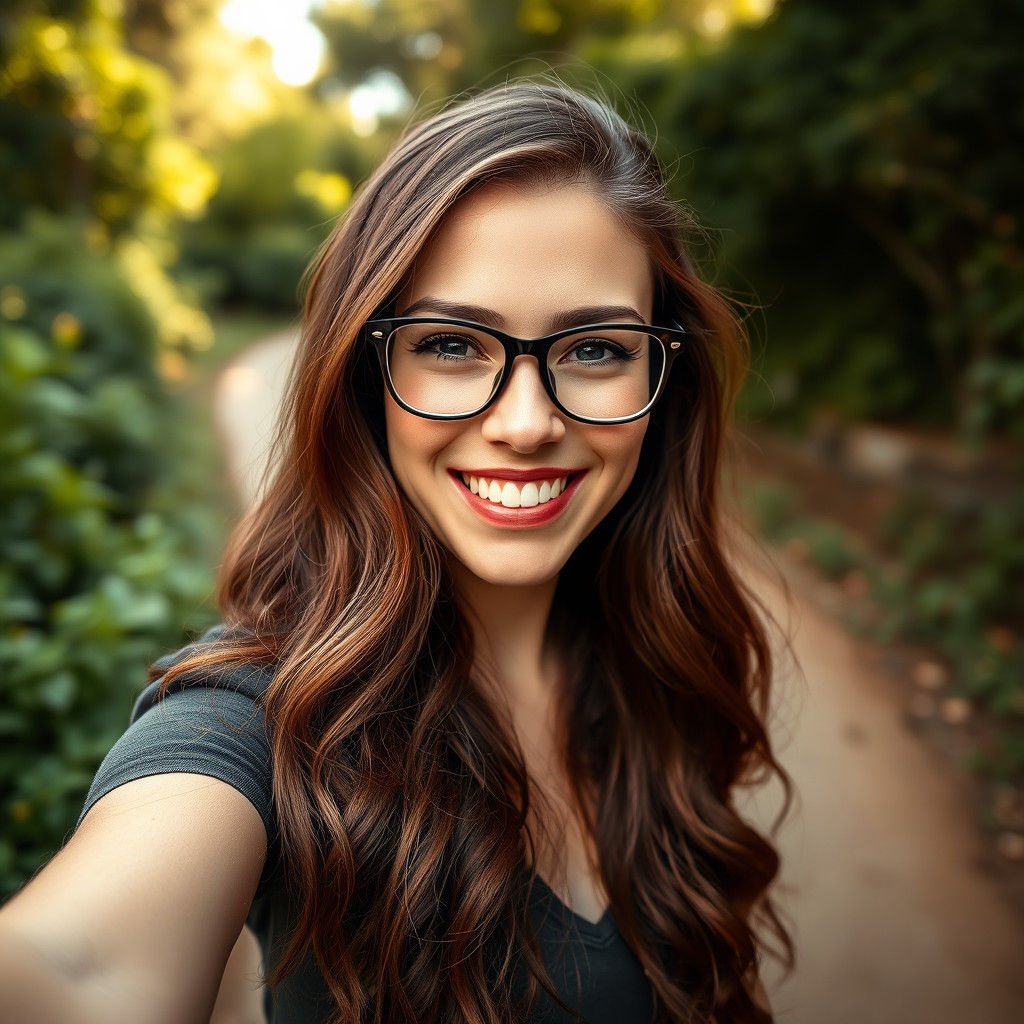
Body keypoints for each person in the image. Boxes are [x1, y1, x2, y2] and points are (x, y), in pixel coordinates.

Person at [0, 75, 795, 1023]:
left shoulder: (658, 671)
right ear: (363, 377)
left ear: (664, 378)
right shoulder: (260, 719)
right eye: (455, 345)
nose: (528, 423)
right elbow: (80, 968)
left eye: (594, 350)